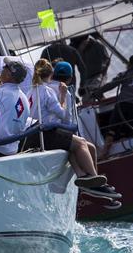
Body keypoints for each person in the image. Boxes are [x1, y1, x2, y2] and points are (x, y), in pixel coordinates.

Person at [27, 59, 110, 191]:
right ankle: (92, 179)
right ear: (70, 78)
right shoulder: (51, 91)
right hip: (46, 133)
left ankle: (86, 178)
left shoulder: (30, 91)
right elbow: (65, 117)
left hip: (33, 133)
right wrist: (63, 95)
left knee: (83, 146)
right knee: (80, 144)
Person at [99, 54, 133, 139]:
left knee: (111, 131)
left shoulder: (124, 74)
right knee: (129, 132)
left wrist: (97, 92)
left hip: (122, 105)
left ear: (129, 65)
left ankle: (105, 150)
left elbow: (111, 85)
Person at [0, 58, 30, 155]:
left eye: (5, 68)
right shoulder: (25, 99)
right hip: (13, 150)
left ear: (8, 75)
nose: (2, 69)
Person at [49, 61, 77, 125]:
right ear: (70, 79)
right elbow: (67, 120)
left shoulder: (43, 87)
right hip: (55, 131)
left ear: (53, 75)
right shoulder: (66, 93)